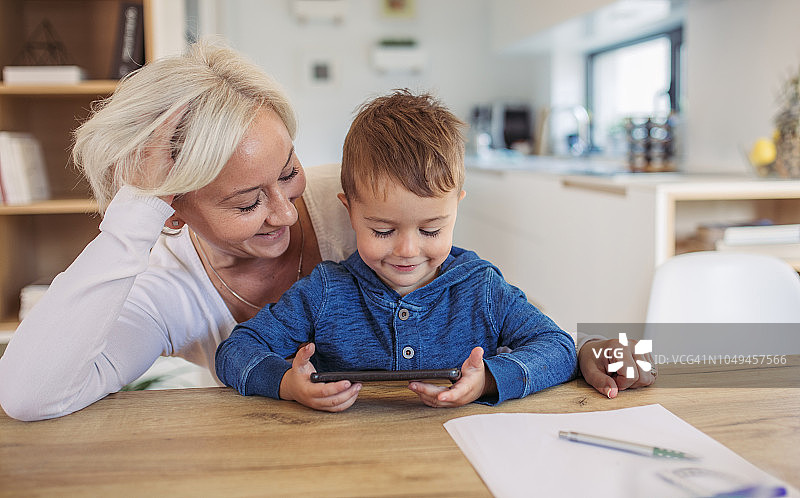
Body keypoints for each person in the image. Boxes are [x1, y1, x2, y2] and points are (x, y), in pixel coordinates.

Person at [0, 39, 651, 422]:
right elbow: (29, 395)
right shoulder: (166, 282)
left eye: (285, 173)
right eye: (247, 202)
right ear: (176, 208)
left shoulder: (365, 199)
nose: (287, 213)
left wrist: (598, 350)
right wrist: (134, 212)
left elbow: (517, 320)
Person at [215, 90, 578, 412]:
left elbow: (559, 348)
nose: (407, 250)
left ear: (456, 209)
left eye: (431, 229)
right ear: (350, 211)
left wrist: (489, 380)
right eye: (383, 230)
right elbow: (236, 351)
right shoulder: (325, 291)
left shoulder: (480, 287)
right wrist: (286, 385)